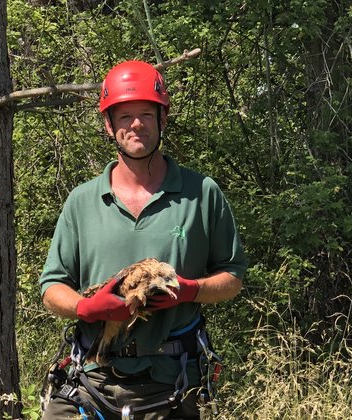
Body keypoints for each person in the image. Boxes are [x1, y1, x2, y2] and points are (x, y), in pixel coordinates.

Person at [38, 60, 248, 419]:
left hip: (170, 379)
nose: (135, 124)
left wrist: (189, 290)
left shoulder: (202, 194)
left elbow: (232, 279)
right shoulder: (83, 201)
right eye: (123, 116)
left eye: (146, 115)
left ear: (162, 120)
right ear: (108, 126)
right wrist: (87, 308)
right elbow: (51, 287)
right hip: (91, 375)